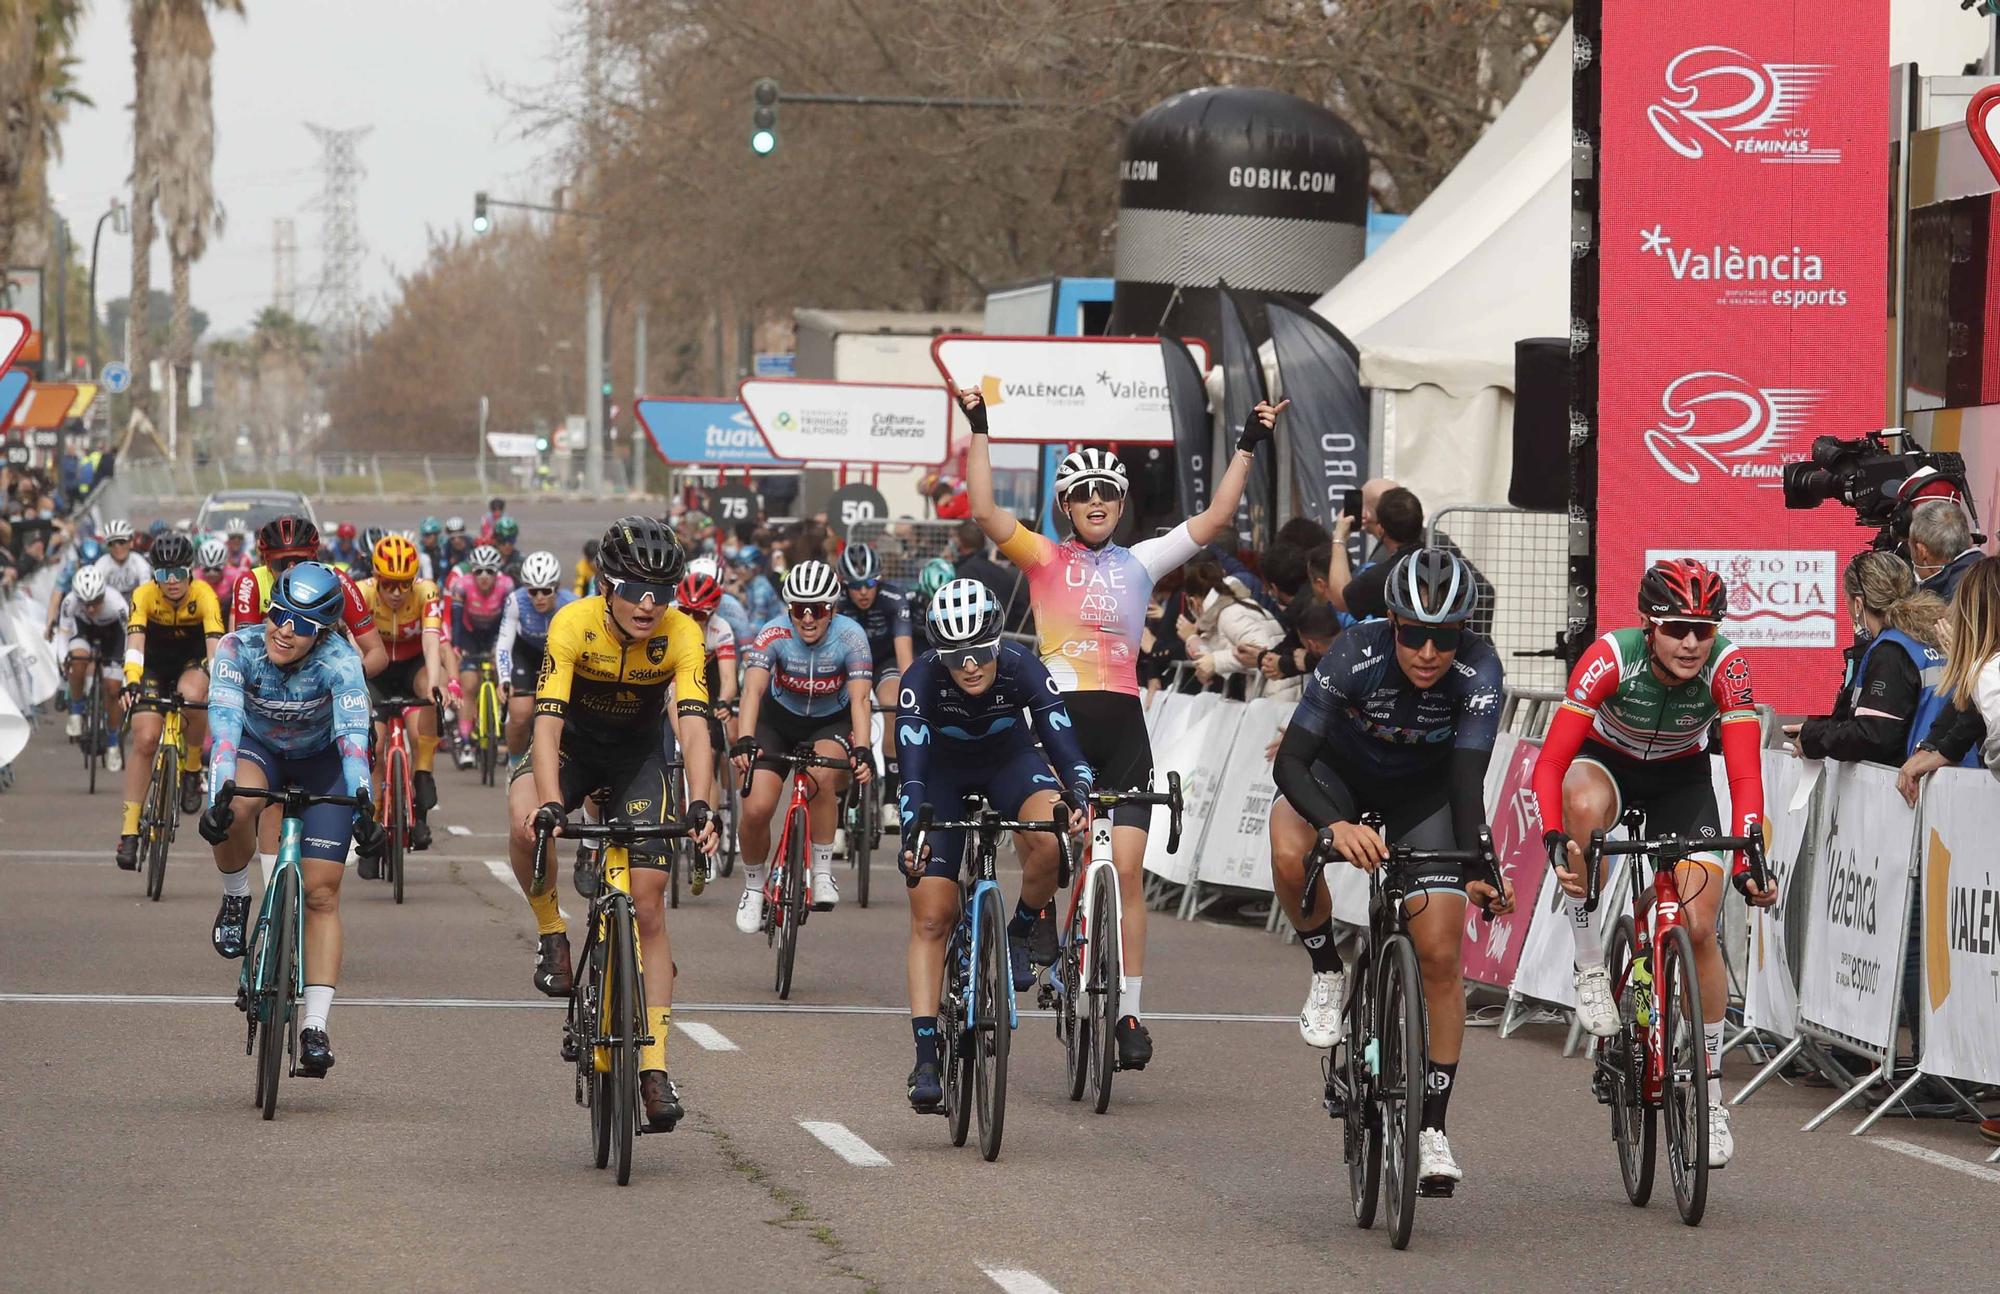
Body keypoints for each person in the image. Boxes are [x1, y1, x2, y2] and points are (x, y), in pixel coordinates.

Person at [961, 382, 1283, 1070]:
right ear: (1066, 508)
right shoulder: (1045, 558)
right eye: (1084, 495)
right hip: (1055, 726)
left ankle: (1129, 1010)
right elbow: (984, 510)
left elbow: (1218, 515)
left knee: (1128, 874)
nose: (1098, 501)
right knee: (1045, 845)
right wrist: (980, 425)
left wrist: (1248, 443)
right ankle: (1035, 920)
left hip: (1124, 729)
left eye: (1108, 491)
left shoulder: (1143, 561)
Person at [1267, 548, 1515, 1188]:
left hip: (1423, 797)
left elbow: (1467, 779)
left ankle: (1431, 1127)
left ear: (1463, 632)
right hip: (1338, 782)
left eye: (1444, 636)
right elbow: (1290, 761)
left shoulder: (1481, 669)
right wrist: (1333, 825)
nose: (1428, 652)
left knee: (1438, 952)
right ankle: (1327, 968)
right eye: (1414, 634)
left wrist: (1480, 864)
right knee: (1290, 849)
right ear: (1392, 624)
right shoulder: (1353, 654)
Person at [1532, 557, 1777, 1170]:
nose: (1693, 642)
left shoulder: (1728, 665)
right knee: (1584, 809)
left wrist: (1751, 853)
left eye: (1704, 627)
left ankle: (1713, 1098)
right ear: (1648, 624)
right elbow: (1551, 764)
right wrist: (1556, 835)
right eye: (1676, 629)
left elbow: (1744, 771)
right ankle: (1591, 967)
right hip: (1605, 763)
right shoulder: (1611, 658)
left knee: (1697, 926)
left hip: (1678, 779)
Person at [507, 516, 719, 1131]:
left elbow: (696, 725)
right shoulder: (571, 624)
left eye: (663, 590)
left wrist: (701, 803)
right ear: (608, 584)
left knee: (648, 905)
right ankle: (552, 932)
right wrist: (550, 805)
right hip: (572, 747)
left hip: (637, 758)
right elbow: (545, 726)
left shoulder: (682, 634)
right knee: (523, 819)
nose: (649, 605)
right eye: (635, 588)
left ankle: (653, 1068)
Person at [895, 579, 1093, 1111]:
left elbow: (1061, 738)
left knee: (1050, 833)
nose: (971, 666)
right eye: (956, 657)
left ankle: (1018, 933)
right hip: (941, 777)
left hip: (1011, 762)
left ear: (997, 642)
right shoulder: (920, 680)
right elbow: (911, 774)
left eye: (981, 652)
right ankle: (926, 1057)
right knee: (932, 916)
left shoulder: (1021, 666)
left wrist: (1076, 791)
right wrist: (912, 829)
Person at [198, 562, 382, 1080]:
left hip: (323, 761)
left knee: (323, 894)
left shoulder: (341, 661)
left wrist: (365, 802)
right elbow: (226, 730)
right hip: (259, 750)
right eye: (279, 614)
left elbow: (352, 738)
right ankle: (236, 896)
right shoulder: (237, 649)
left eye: (302, 624)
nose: (285, 629)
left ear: (321, 632)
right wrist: (218, 797)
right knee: (236, 808)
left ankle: (315, 1027)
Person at [730, 559, 876, 927]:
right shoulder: (773, 634)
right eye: (798, 609)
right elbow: (753, 690)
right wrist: (745, 738)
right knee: (756, 806)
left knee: (820, 777)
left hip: (830, 722)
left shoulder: (851, 636)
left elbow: (860, 699)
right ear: (788, 609)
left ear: (833, 609)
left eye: (818, 609)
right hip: (776, 721)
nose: (807, 618)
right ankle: (753, 888)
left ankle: (823, 871)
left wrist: (863, 749)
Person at [117, 532, 223, 869]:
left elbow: (215, 647)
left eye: (179, 573)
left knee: (194, 696)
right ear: (154, 576)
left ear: (190, 571)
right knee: (146, 739)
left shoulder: (204, 594)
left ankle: (192, 767)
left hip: (191, 663)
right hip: (153, 667)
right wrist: (131, 682)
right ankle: (130, 832)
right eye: (164, 574)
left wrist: (221, 686)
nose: (172, 581)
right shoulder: (144, 595)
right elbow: (134, 643)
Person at [1788, 551, 1954, 766]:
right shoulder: (1934, 637)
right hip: (1953, 773)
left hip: (1916, 780)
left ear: (1858, 604)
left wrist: (1814, 737)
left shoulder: (1892, 651)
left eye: (1845, 599)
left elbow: (1874, 735)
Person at [356, 533, 448, 852]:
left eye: (404, 584)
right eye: (389, 584)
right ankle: (375, 813)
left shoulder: (426, 592)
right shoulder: (362, 593)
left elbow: (432, 642)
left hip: (412, 667)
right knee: (376, 744)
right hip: (377, 671)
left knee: (430, 694)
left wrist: (436, 683)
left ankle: (422, 776)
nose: (397, 592)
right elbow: (356, 652)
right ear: (376, 578)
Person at [230, 515, 387, 678]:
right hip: (268, 677)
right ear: (267, 563)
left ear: (314, 557)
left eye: (300, 561)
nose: (291, 569)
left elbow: (377, 654)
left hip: (323, 675)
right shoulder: (250, 582)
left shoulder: (337, 580)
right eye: (281, 563)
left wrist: (347, 680)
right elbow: (247, 652)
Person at [835, 542, 913, 779]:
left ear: (879, 579)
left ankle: (890, 792)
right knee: (842, 711)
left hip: (882, 661)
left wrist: (912, 693)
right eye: (855, 585)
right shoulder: (835, 600)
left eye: (870, 583)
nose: (863, 592)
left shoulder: (894, 597)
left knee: (894, 703)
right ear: (843, 584)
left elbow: (904, 656)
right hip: (846, 662)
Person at [495, 550, 576, 769]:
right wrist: (504, 678)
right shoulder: (516, 600)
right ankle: (514, 764)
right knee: (520, 715)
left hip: (558, 656)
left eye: (545, 591)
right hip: (526, 654)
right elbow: (504, 643)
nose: (538, 597)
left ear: (556, 588)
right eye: (533, 591)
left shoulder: (572, 604)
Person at [51, 564, 130, 769]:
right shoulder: (70, 602)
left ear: (103, 594)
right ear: (78, 598)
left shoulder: (117, 604)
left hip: (113, 636)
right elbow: (64, 633)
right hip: (85, 632)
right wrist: (62, 660)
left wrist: (128, 666)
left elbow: (131, 636)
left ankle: (113, 743)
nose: (92, 608)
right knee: (76, 661)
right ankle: (76, 710)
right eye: (86, 603)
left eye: (96, 602)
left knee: (113, 690)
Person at [445, 545, 516, 767]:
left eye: (490, 571)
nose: (484, 577)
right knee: (469, 685)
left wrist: (501, 648)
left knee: (502, 678)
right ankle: (466, 743)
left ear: (498, 573)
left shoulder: (507, 585)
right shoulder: (462, 585)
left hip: (495, 634)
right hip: (470, 635)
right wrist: (457, 647)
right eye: (479, 572)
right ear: (472, 572)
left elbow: (508, 622)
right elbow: (456, 621)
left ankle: (501, 733)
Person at [1178, 558, 1284, 690]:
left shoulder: (1230, 614)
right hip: (1269, 690)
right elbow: (1218, 651)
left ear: (1194, 601)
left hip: (1276, 692)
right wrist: (1193, 640)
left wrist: (1215, 662)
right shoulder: (1228, 611)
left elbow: (1262, 650)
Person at [951, 519, 1028, 633]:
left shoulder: (965, 572)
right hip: (1005, 633)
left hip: (977, 637)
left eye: (954, 539)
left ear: (960, 543)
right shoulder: (999, 571)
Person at [1907, 499, 1981, 600]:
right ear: (1969, 540)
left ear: (1922, 552)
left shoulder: (1946, 606)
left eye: (1911, 549)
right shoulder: (1991, 571)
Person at [92, 520, 152, 598]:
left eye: (121, 542)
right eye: (111, 543)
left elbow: (146, 591)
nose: (117, 547)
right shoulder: (101, 564)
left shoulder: (140, 563)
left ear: (131, 543)